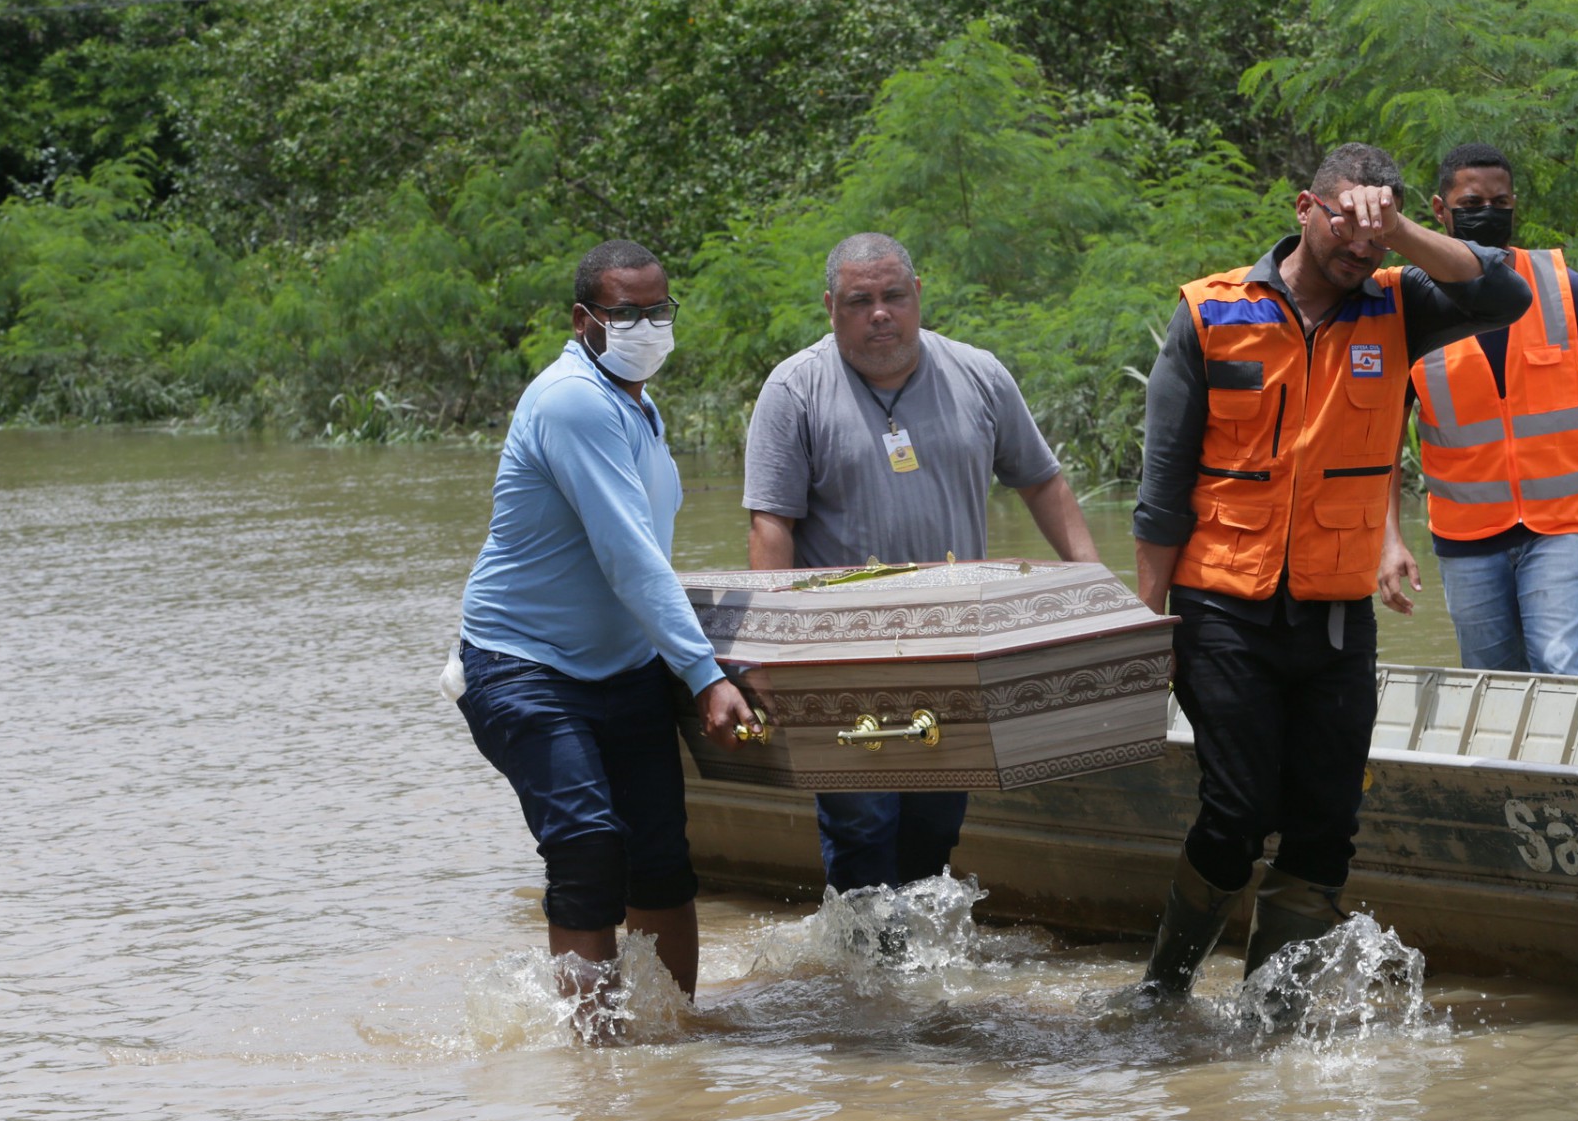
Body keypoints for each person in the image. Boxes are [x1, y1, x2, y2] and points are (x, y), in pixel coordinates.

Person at [1129, 143, 1533, 998]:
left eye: (1375, 234)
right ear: (1305, 209)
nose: (1362, 249)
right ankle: (1163, 990)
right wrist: (1146, 620)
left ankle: (1268, 1015)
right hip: (1220, 606)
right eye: (1347, 225)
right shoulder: (1212, 314)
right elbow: (1163, 489)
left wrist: (1401, 230)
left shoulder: (1396, 304)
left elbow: (1505, 291)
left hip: (1336, 615)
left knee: (1325, 829)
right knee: (1237, 816)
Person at [744, 232, 1100, 895]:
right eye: (859, 301)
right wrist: (772, 649)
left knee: (936, 824)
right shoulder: (795, 390)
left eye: (893, 296)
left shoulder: (978, 374)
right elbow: (772, 526)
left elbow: (1042, 482)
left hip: (952, 645)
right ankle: (866, 980)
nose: (880, 313)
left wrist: (1091, 585)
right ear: (830, 307)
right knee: (864, 826)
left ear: (917, 297)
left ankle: (907, 980)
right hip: (841, 652)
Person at [453, 239, 754, 1009]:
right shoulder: (572, 400)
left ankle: (673, 1047)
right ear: (586, 319)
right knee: (589, 847)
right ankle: (596, 1061)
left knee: (660, 859)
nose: (648, 325)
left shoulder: (636, 404)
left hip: (620, 665)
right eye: (629, 313)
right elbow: (629, 556)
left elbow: (647, 555)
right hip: (523, 664)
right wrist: (704, 672)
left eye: (660, 310)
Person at [1379, 142, 1578, 674]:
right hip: (1466, 538)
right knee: (1491, 682)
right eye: (1473, 201)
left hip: (1562, 526)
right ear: (1438, 209)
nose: (1488, 213)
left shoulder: (1565, 290)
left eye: (1501, 203)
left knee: (1562, 664)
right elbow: (1377, 439)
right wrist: (1389, 540)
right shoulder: (1407, 306)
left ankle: (1575, 759)